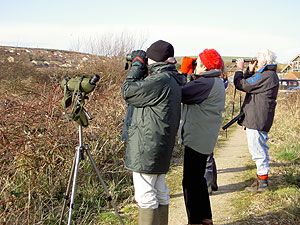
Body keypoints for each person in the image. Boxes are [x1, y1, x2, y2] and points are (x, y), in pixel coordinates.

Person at [121, 40, 182, 225]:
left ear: (152, 59)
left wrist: (137, 65)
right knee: (159, 190)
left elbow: (128, 91)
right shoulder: (172, 78)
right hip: (160, 142)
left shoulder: (159, 80)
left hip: (147, 144)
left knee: (146, 195)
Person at [178, 49, 226, 225]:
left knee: (190, 183)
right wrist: (192, 73)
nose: (195, 65)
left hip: (197, 139)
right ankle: (206, 218)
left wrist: (184, 73)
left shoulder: (205, 83)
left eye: (198, 62)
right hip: (204, 137)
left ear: (205, 66)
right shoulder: (214, 81)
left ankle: (195, 221)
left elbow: (181, 93)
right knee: (197, 180)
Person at [234, 49, 279, 192]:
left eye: (258, 59)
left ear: (264, 61)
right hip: (258, 117)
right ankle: (261, 179)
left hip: (257, 118)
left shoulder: (267, 75)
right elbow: (249, 84)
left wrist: (240, 70)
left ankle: (263, 182)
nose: (255, 60)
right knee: (257, 149)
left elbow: (242, 85)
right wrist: (249, 71)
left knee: (258, 150)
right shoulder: (266, 75)